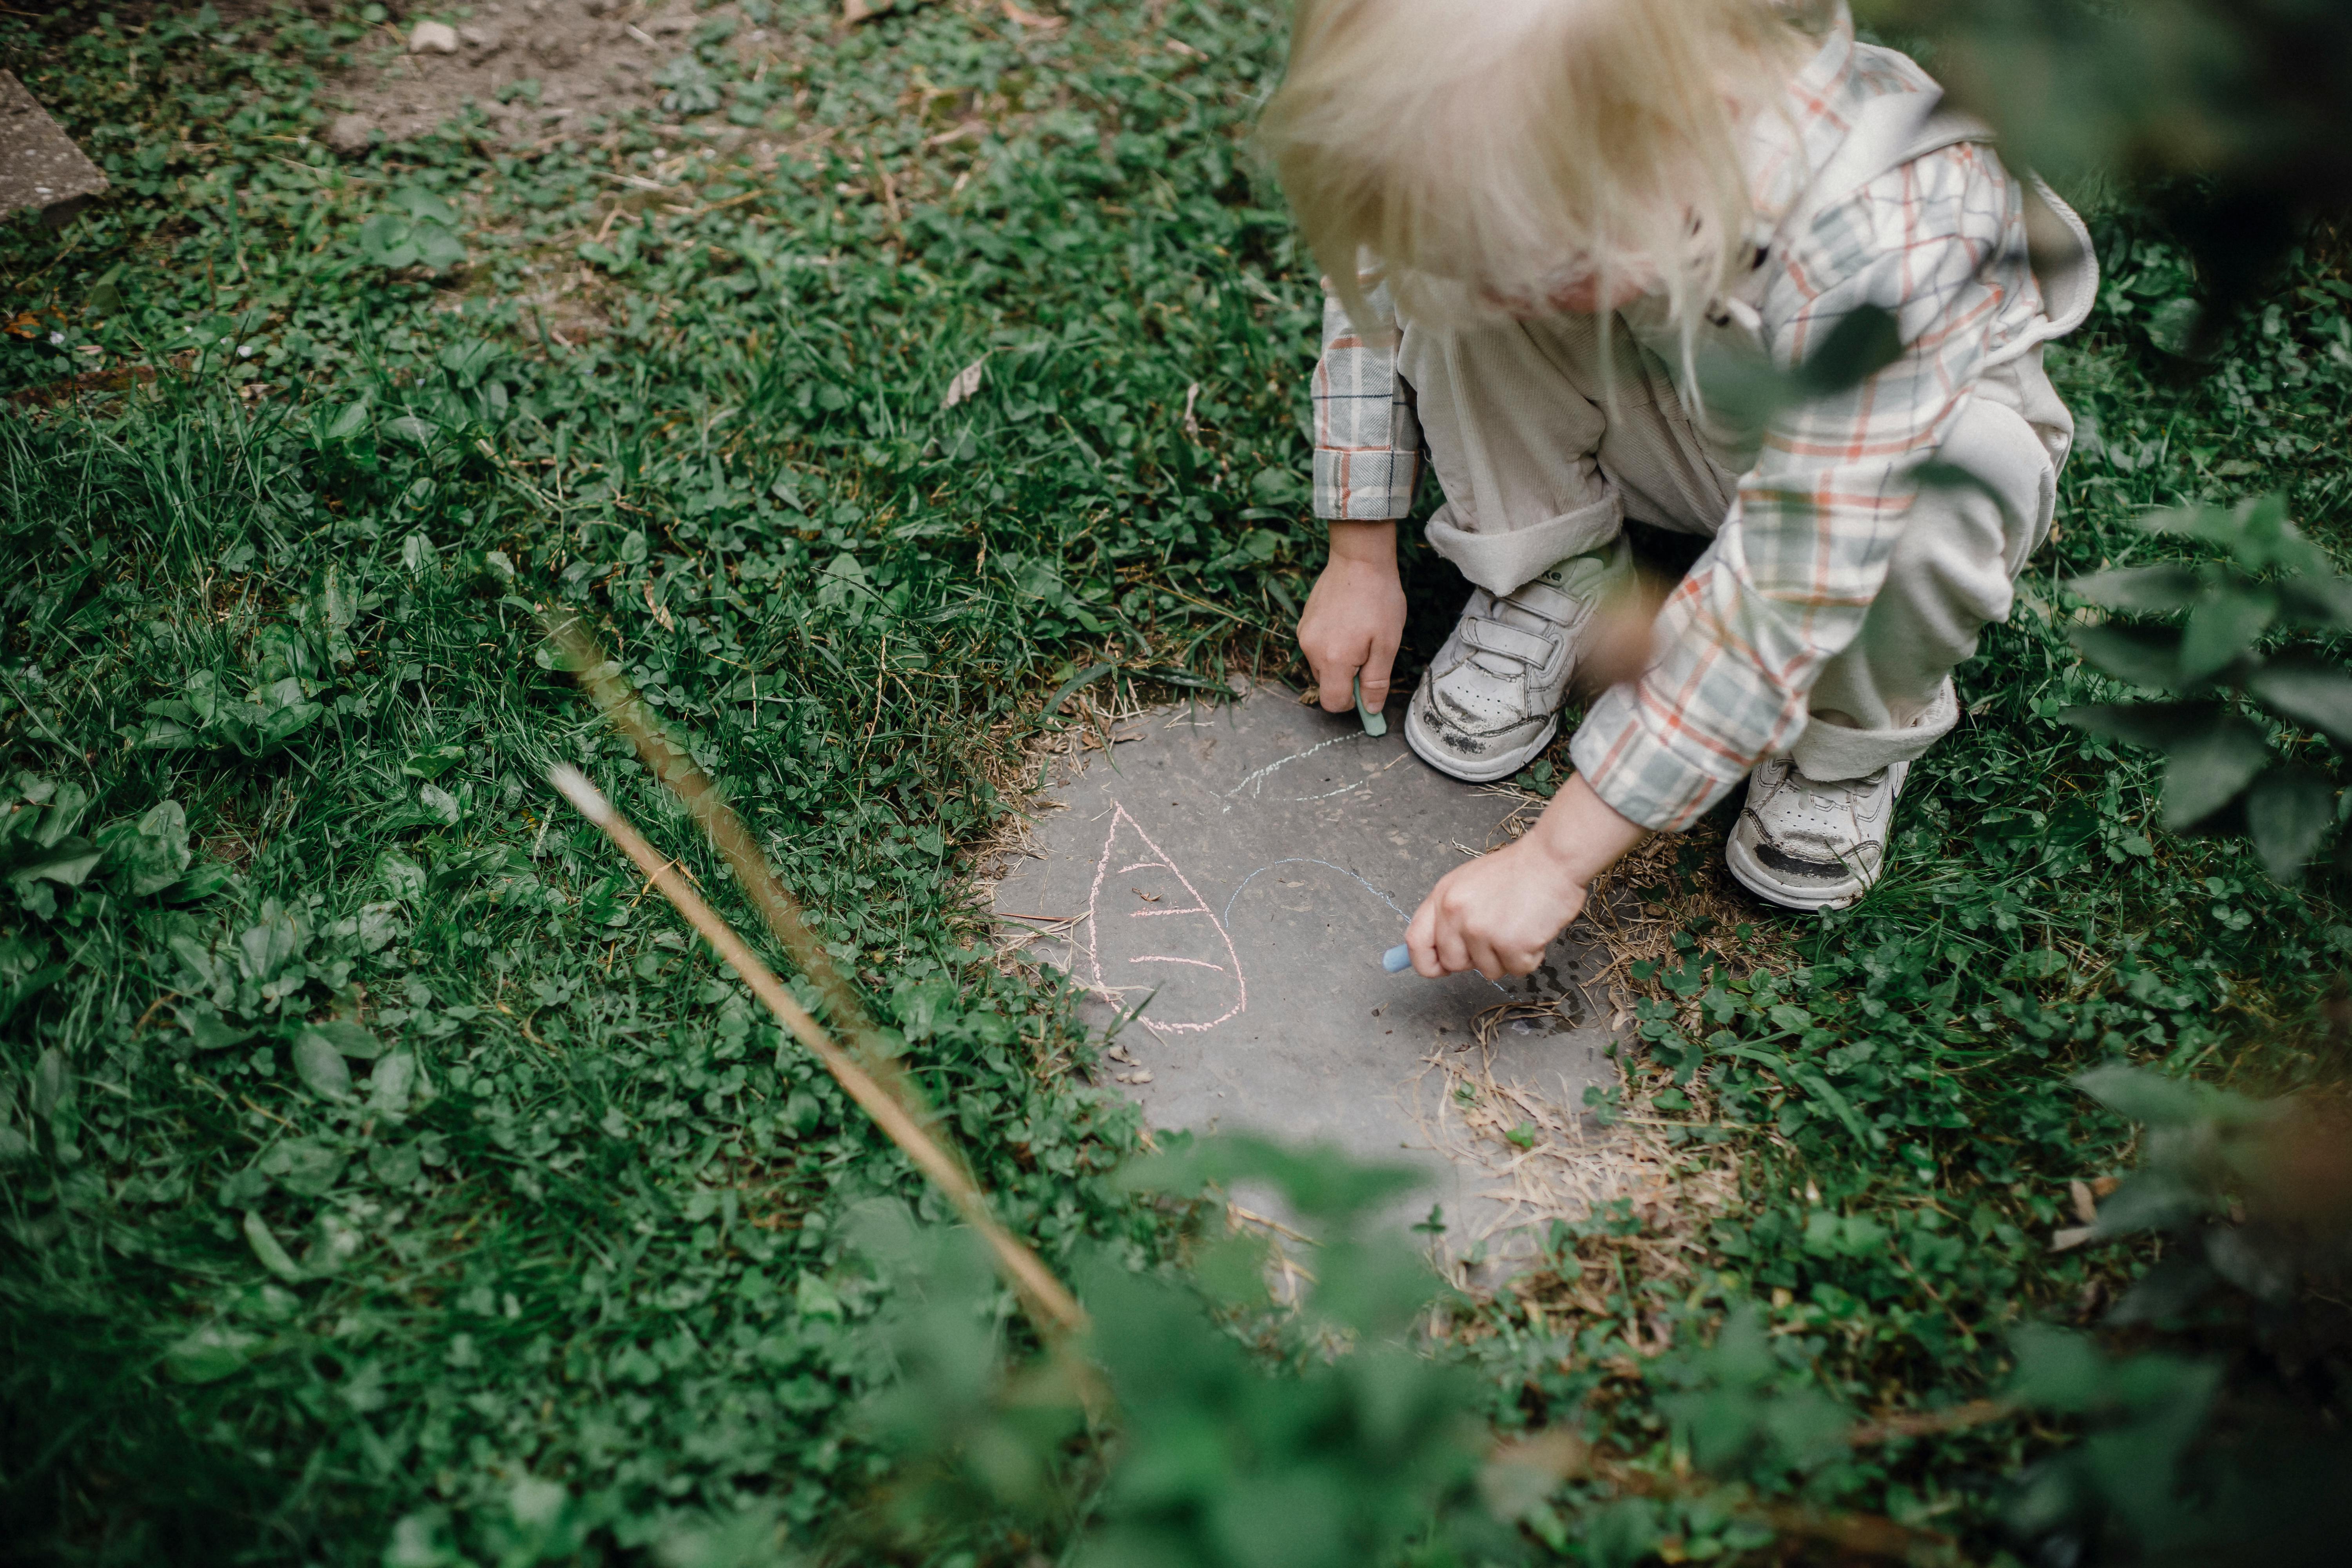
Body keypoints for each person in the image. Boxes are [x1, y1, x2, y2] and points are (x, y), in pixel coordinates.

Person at [1263, 0, 2093, 978]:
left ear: (1677, 135)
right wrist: (1359, 552)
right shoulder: (1531, 153)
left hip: (1864, 481)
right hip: (1677, 395)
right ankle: (1552, 567)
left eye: (1545, 266)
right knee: (1462, 292)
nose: (1497, 295)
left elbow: (1794, 569)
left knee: (1969, 463)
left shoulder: (1892, 230)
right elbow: (1389, 259)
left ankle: (1847, 733)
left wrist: (1555, 858)